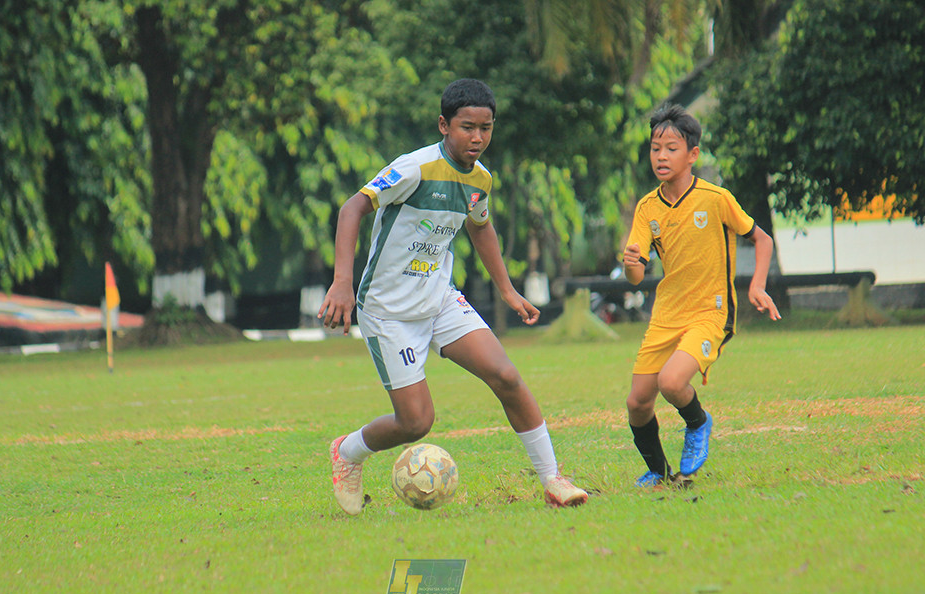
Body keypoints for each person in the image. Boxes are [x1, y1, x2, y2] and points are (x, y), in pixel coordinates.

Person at [318, 78, 588, 515]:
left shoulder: (480, 179)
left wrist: (507, 290)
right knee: (416, 422)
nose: (477, 137)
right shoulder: (414, 169)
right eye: (467, 127)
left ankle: (552, 479)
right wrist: (342, 282)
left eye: (486, 127)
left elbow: (481, 227)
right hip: (388, 312)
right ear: (444, 125)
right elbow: (352, 208)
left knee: (506, 375)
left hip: (439, 299)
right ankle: (347, 453)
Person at [622, 103, 781, 487]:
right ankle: (659, 473)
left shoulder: (715, 198)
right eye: (655, 148)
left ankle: (698, 423)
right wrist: (629, 263)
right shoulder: (647, 208)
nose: (661, 156)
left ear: (692, 155)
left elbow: (762, 239)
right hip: (666, 315)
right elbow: (635, 275)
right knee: (637, 403)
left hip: (710, 313)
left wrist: (757, 285)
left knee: (672, 382)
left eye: (671, 148)